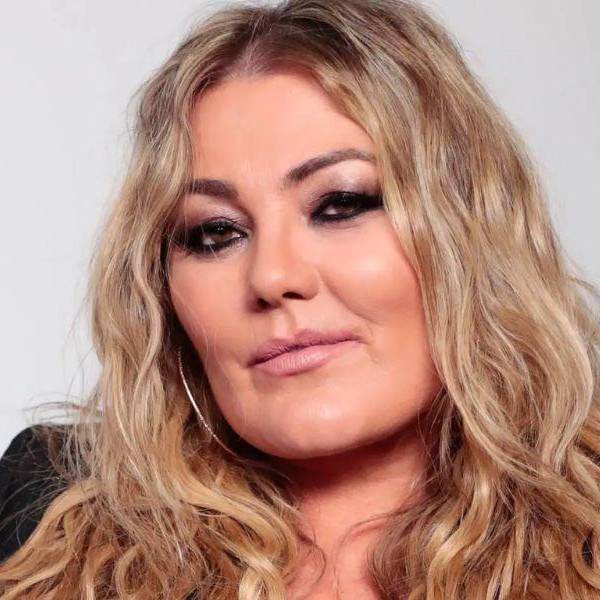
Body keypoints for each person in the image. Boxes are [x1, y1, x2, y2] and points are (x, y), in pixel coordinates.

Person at [1, 0, 599, 597]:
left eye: (340, 204)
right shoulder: (47, 520)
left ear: (470, 229)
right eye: (215, 233)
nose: (271, 277)